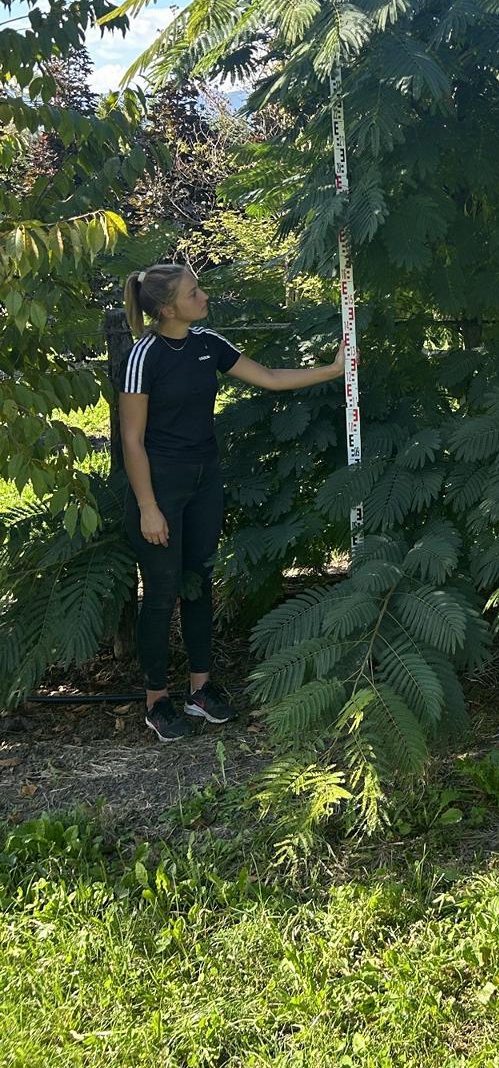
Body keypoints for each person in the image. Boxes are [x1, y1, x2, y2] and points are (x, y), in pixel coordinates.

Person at [118, 262, 344, 742]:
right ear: (166, 307)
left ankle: (201, 690)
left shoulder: (208, 344)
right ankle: (156, 701)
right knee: (160, 595)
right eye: (194, 292)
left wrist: (332, 369)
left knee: (198, 582)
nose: (204, 297)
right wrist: (147, 506)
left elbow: (268, 376)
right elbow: (131, 440)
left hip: (205, 481)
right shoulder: (144, 355)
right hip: (159, 486)